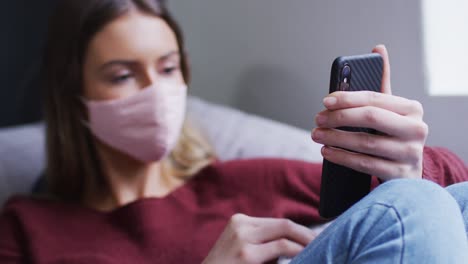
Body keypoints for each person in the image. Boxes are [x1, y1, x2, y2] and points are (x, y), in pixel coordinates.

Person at [1, 0, 467, 263]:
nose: (155, 92)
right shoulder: (28, 230)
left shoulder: (246, 180)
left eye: (167, 68)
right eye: (123, 76)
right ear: (71, 92)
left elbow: (451, 186)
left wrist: (404, 165)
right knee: (415, 206)